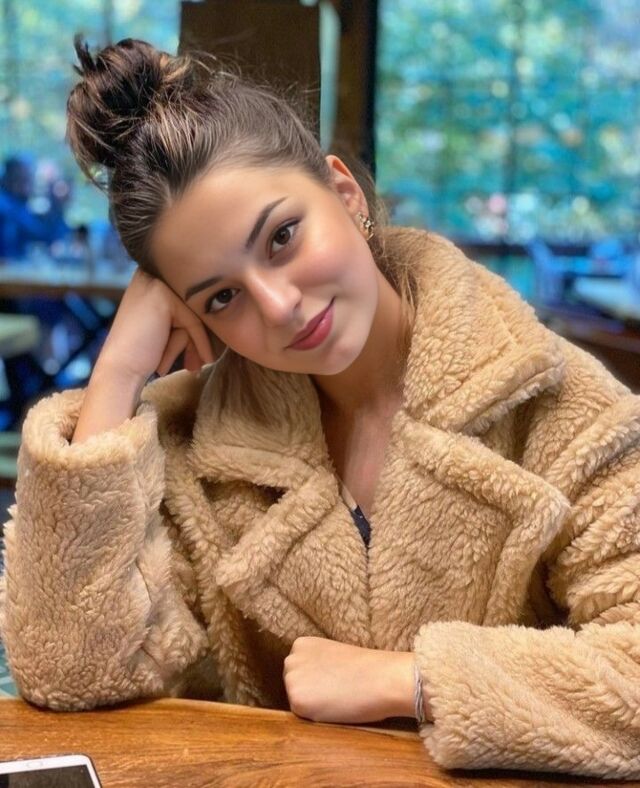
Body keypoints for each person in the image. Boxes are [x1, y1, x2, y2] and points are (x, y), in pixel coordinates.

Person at [1, 37, 639, 780]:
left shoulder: (564, 406)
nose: (278, 307)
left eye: (281, 237)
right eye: (223, 296)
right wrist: (117, 371)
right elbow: (68, 672)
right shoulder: (191, 441)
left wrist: (412, 679)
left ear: (344, 193)